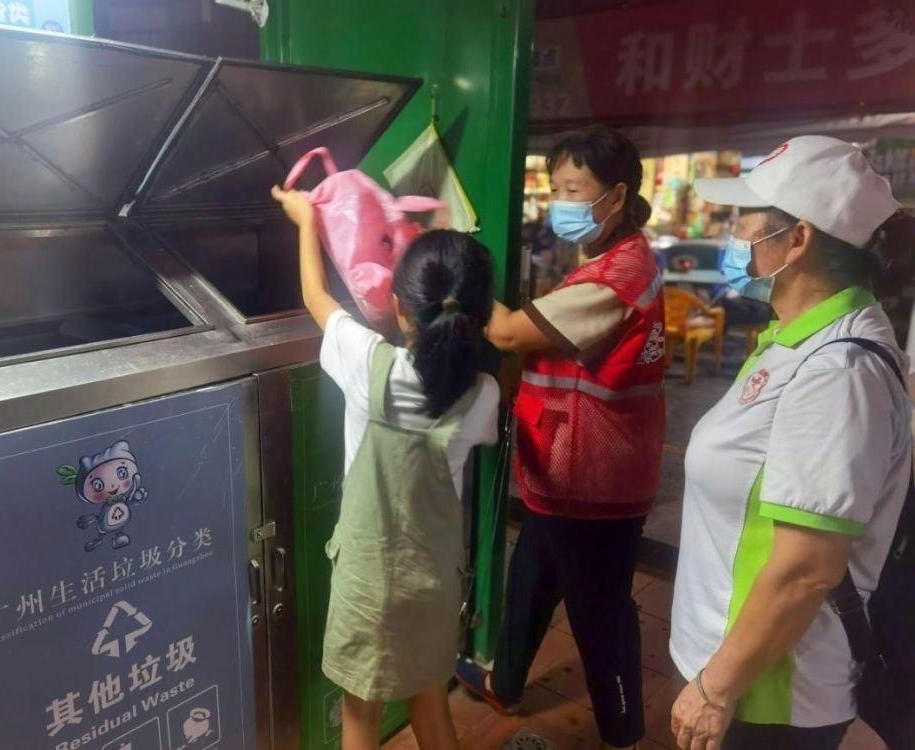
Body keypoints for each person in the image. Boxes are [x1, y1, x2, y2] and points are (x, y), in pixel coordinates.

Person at [669, 135, 914, 750]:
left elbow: (807, 569)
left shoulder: (838, 373)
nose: (734, 236)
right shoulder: (799, 338)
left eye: (743, 221)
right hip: (735, 665)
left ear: (798, 238)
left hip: (767, 690)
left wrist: (715, 689)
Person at [457, 128, 666, 750]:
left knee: (601, 613)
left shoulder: (617, 276)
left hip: (597, 480)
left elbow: (509, 333)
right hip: (558, 472)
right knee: (531, 580)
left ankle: (624, 732)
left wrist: (458, 275)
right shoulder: (604, 260)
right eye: (555, 189)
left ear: (616, 196)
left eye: (574, 190)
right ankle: (505, 684)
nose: (559, 202)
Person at [271, 186, 500, 750]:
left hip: (368, 583)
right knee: (431, 705)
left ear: (398, 305)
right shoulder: (484, 394)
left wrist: (306, 221)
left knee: (360, 717)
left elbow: (316, 295)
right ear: (480, 316)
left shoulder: (369, 361)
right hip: (433, 579)